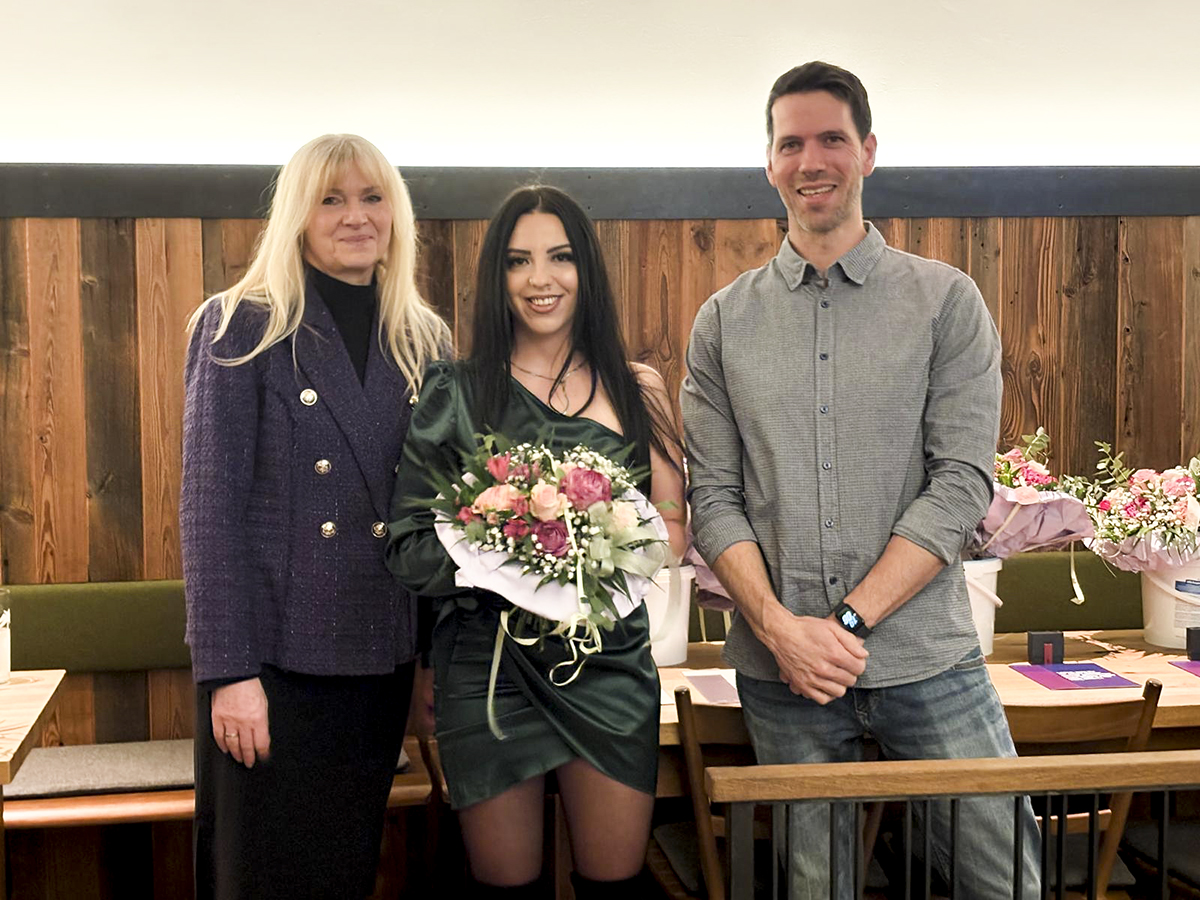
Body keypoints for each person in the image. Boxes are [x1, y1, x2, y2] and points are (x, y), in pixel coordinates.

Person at [681, 62, 1040, 898]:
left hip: (931, 661)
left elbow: (959, 486)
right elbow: (714, 500)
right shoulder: (724, 321)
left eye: (832, 138)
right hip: (785, 676)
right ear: (769, 163)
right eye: (791, 143)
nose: (813, 160)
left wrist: (841, 623)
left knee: (1011, 886)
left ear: (868, 151)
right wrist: (781, 629)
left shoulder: (947, 302)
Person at [386, 185, 686, 898]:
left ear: (587, 269)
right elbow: (406, 548)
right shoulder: (454, 392)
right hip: (487, 673)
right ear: (498, 277)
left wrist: (590, 544)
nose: (540, 279)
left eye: (559, 257)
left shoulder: (636, 387)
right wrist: (504, 548)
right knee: (504, 887)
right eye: (518, 261)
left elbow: (672, 528)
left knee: (616, 883)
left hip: (607, 665)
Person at [180, 133, 449, 900]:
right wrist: (229, 672)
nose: (355, 216)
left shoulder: (424, 340)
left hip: (377, 655)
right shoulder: (241, 325)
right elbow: (210, 514)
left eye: (372, 198)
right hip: (271, 667)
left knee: (342, 870)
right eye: (331, 199)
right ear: (297, 216)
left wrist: (429, 655)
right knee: (259, 875)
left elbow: (431, 514)